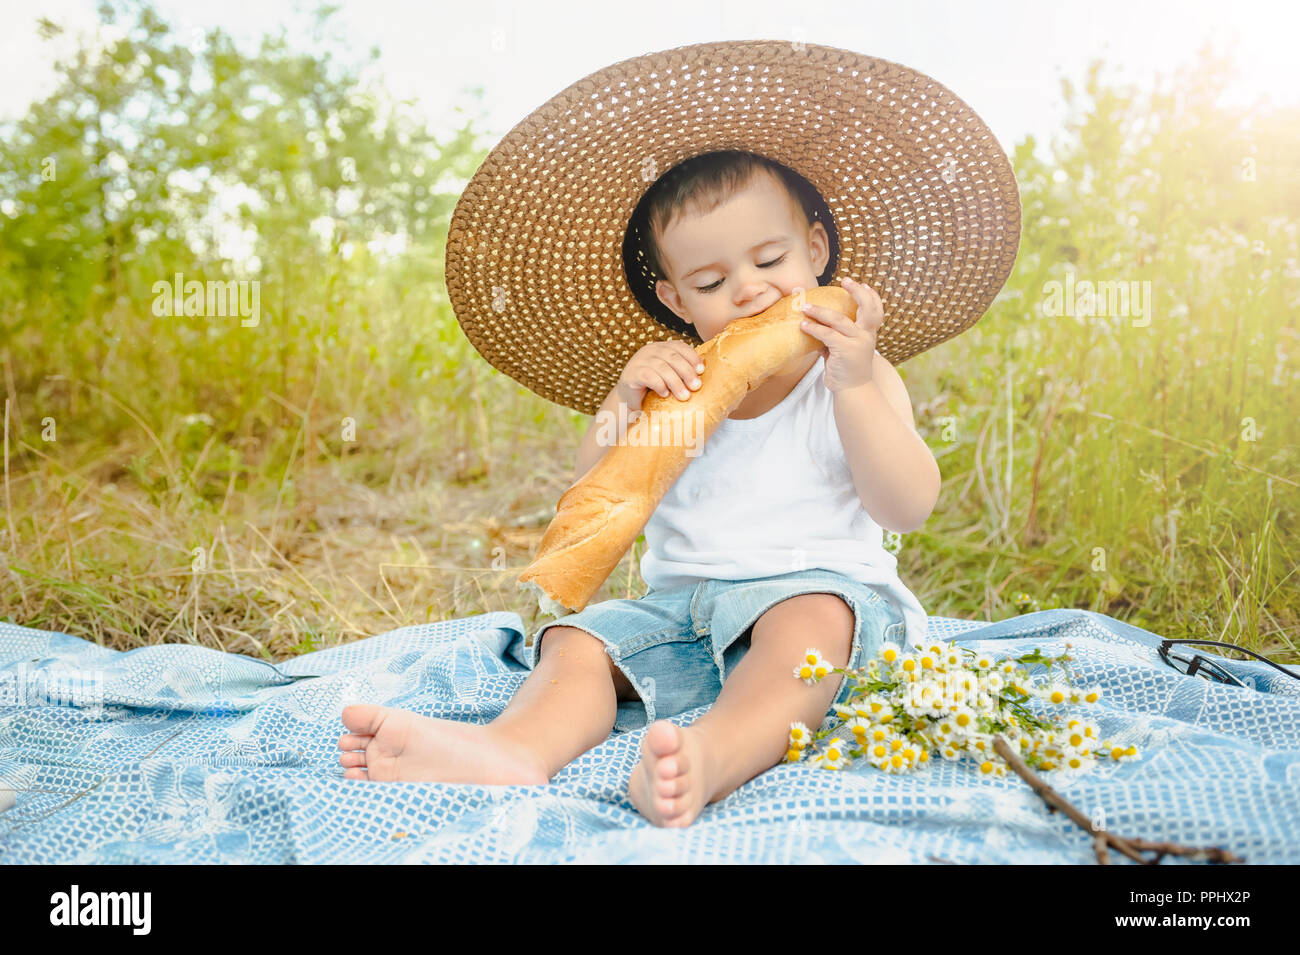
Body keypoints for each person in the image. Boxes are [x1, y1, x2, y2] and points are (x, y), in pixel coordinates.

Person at [338, 41, 1021, 829]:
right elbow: (593, 490)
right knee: (577, 641)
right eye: (710, 282)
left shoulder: (854, 376)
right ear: (674, 299)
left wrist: (857, 386)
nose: (749, 288)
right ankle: (514, 747)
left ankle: (714, 755)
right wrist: (623, 397)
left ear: (818, 252)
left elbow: (906, 505)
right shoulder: (676, 389)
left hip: (823, 596)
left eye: (771, 258)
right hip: (681, 612)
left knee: (809, 624)